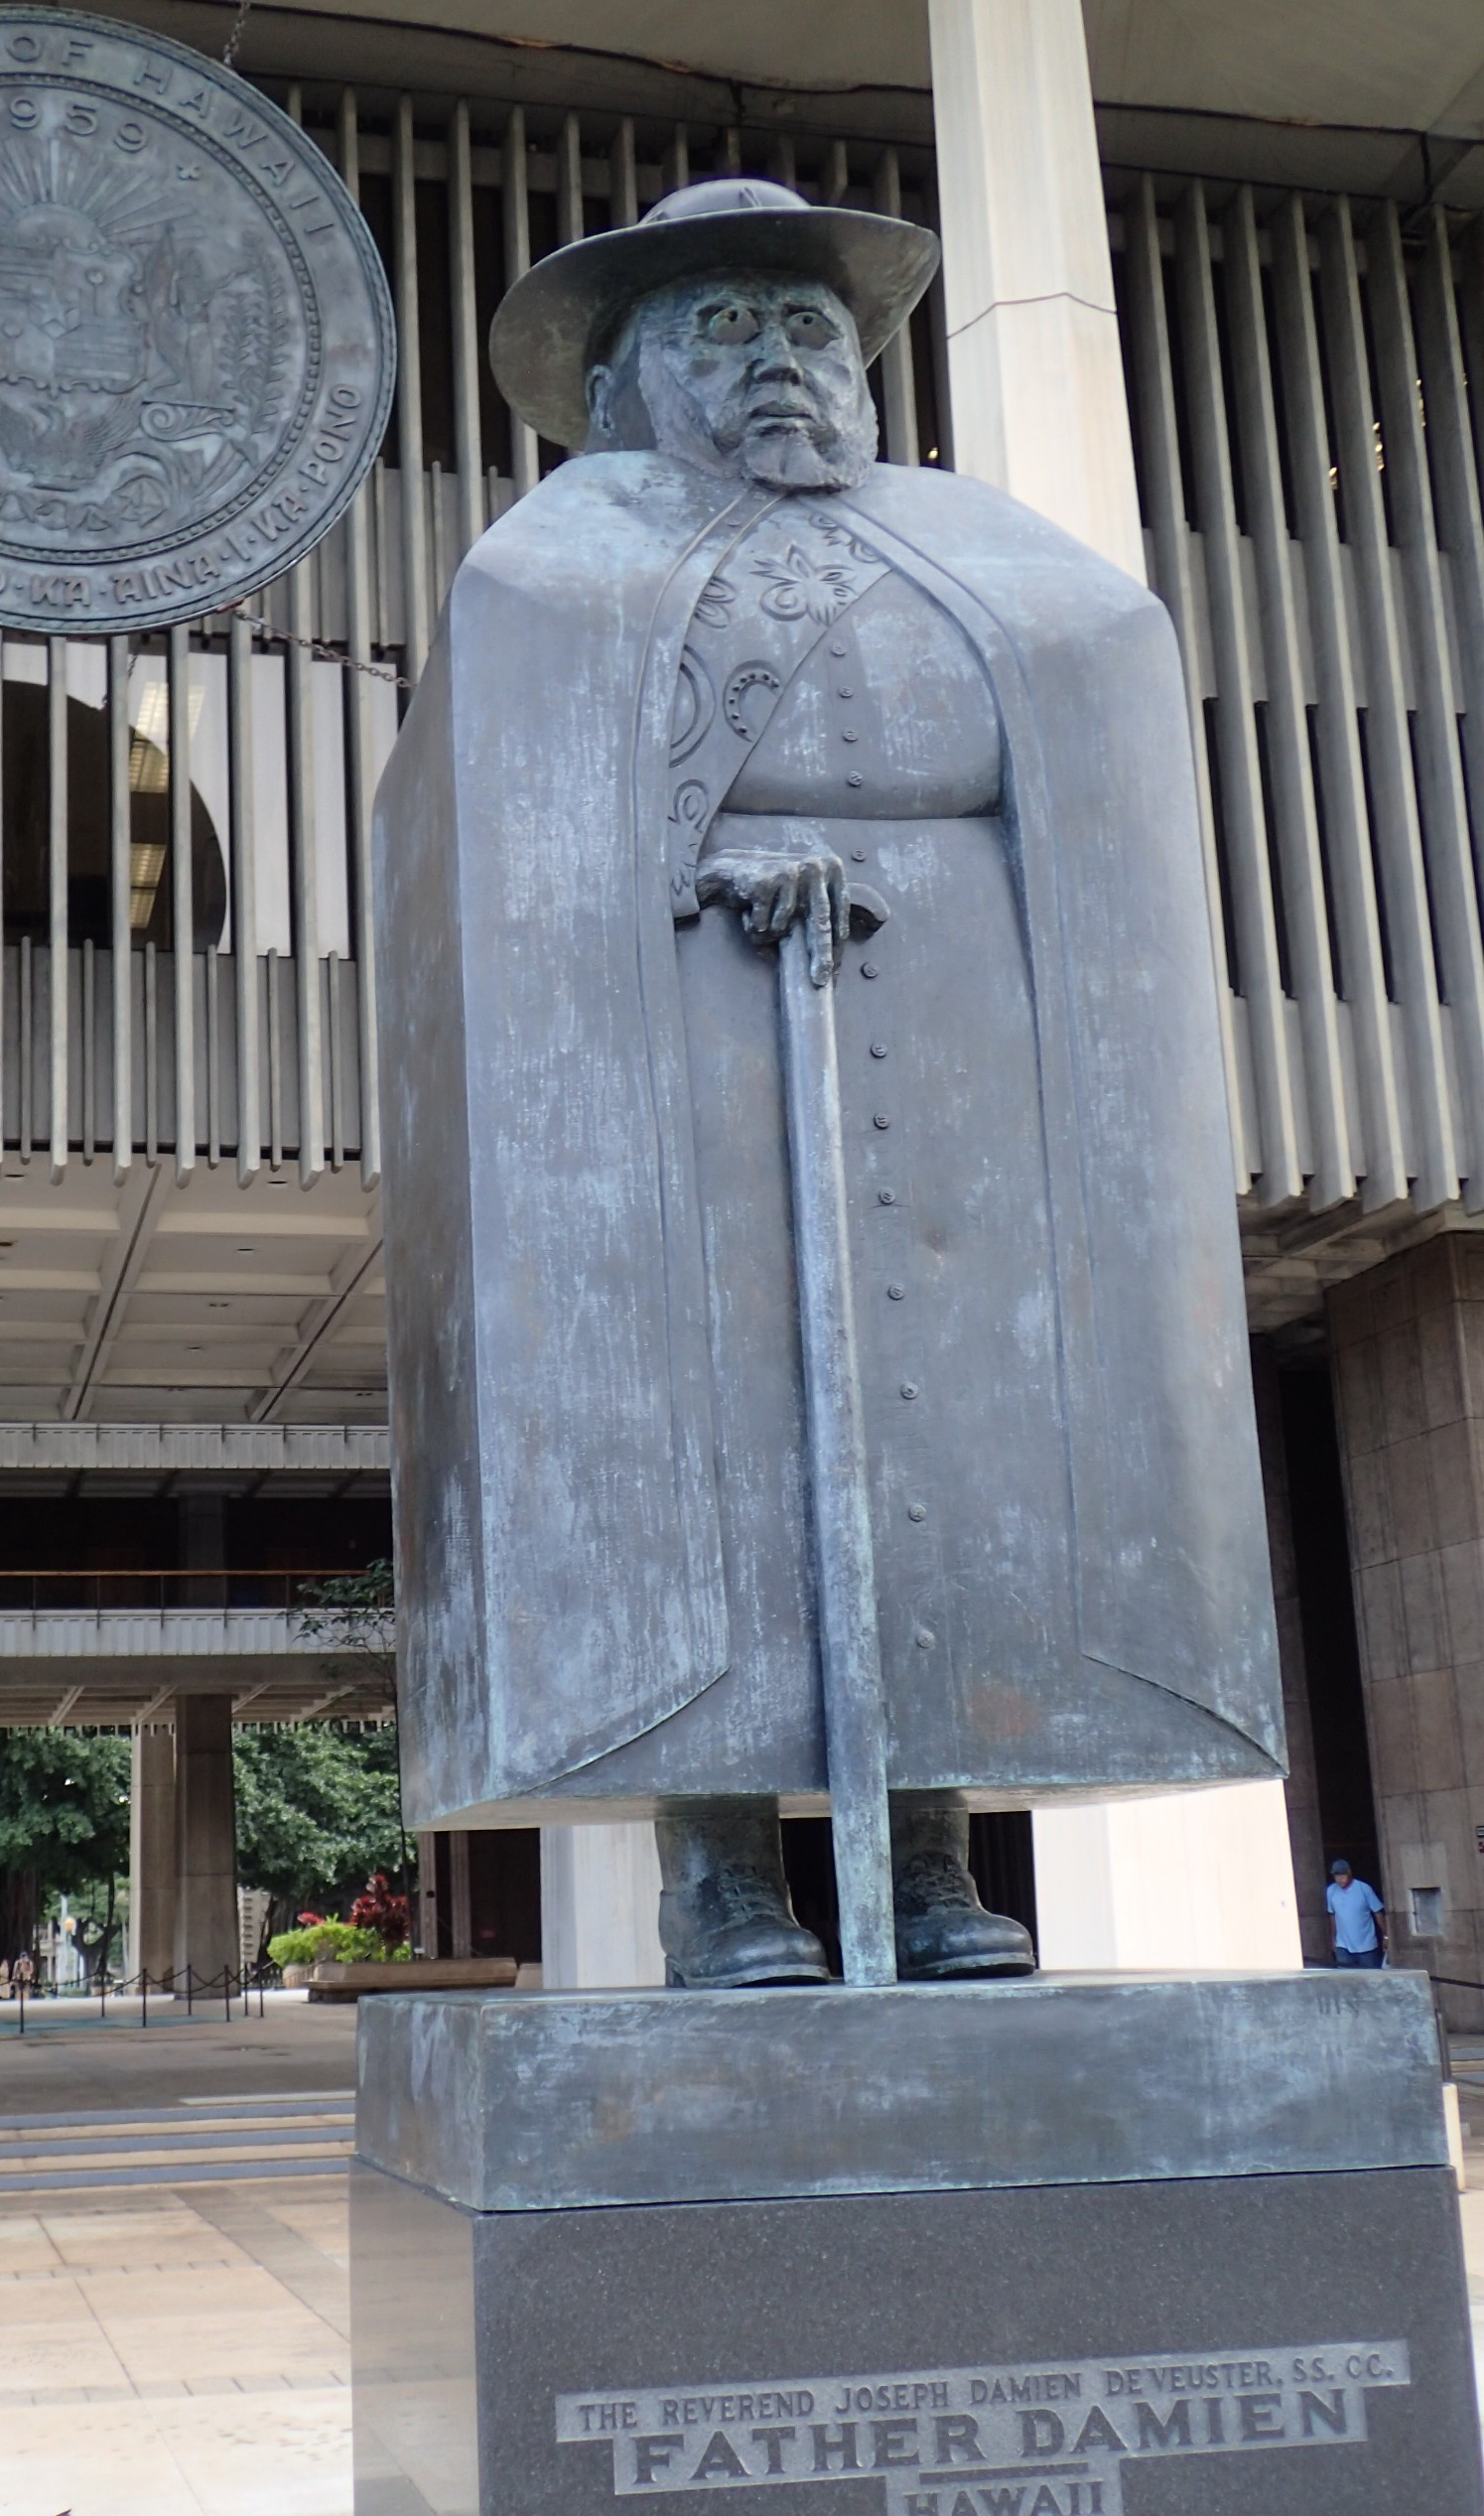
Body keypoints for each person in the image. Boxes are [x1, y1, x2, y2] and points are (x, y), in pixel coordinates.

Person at [374, 178, 1285, 1987]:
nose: (778, 361)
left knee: (960, 1450)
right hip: (690, 1057)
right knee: (718, 1452)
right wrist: (690, 888)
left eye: (804, 329)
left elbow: (1100, 719)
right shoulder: (561, 561)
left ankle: (938, 1853)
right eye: (722, 329)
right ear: (626, 381)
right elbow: (518, 843)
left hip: (964, 1062)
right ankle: (718, 1868)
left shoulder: (983, 542)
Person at [1326, 1859, 1387, 1969]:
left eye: (1343, 1875)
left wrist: (1386, 1936)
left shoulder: (1364, 1889)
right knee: (1345, 1979)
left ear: (1349, 1873)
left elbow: (1378, 1913)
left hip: (1366, 1945)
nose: (1340, 1879)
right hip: (1342, 1945)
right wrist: (1333, 1939)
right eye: (1337, 1876)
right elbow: (1332, 1915)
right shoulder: (1331, 1891)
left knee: (1370, 1979)